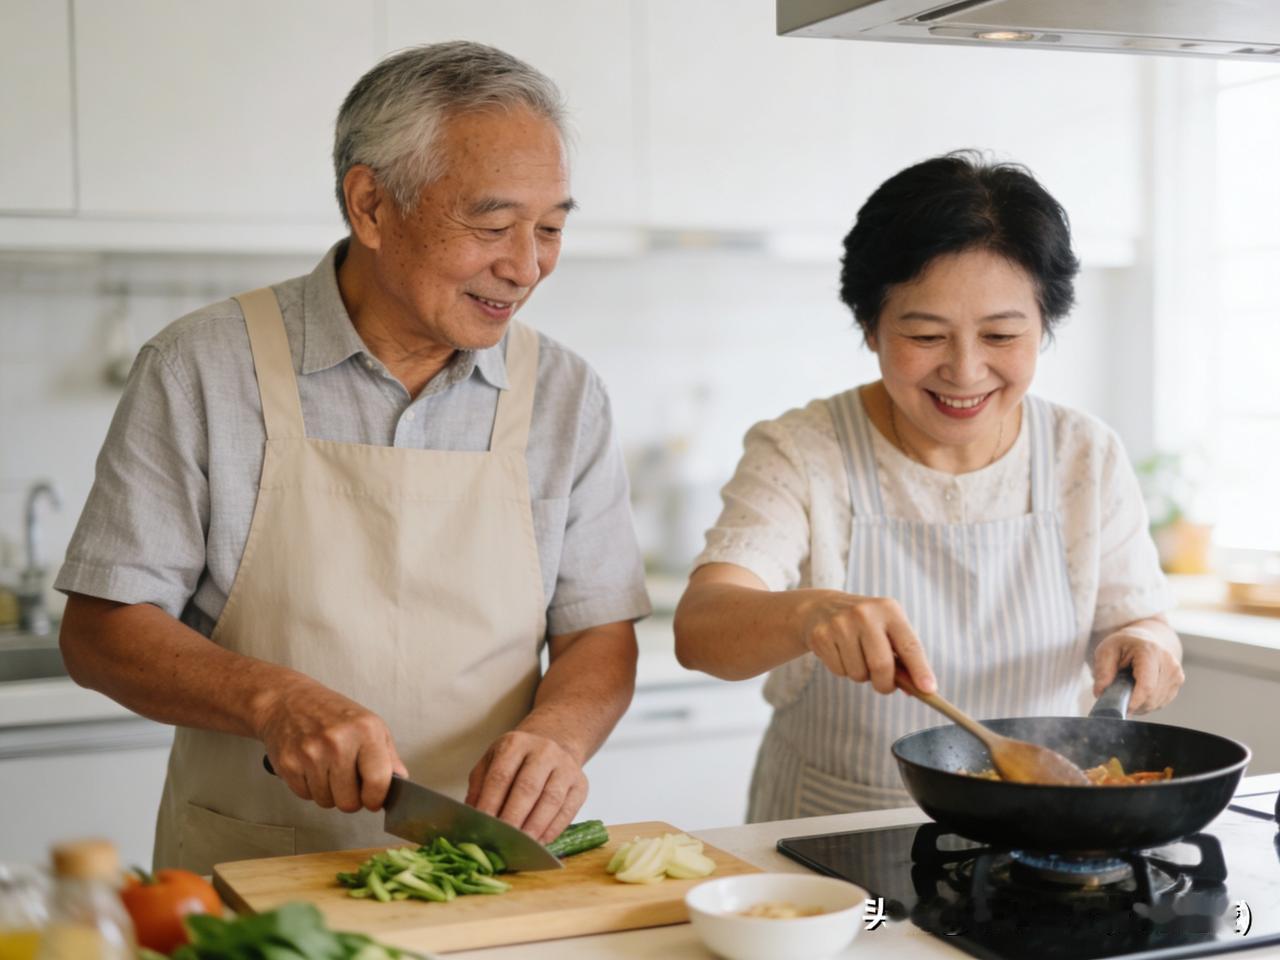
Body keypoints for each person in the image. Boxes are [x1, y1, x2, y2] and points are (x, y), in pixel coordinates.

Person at [55, 41, 650, 872]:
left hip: (481, 874)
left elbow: (599, 631)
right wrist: (273, 700)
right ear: (370, 205)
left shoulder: (565, 393)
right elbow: (99, 632)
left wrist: (560, 733)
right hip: (250, 872)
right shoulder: (202, 367)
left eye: (550, 228)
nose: (525, 266)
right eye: (492, 226)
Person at [673, 152, 1184, 822]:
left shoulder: (1083, 454)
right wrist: (807, 613)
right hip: (830, 836)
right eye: (924, 334)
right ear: (869, 326)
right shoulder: (802, 449)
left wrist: (1150, 646)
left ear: (1046, 326)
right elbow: (700, 629)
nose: (966, 371)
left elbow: (1139, 621)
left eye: (1002, 334)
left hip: (1040, 825)